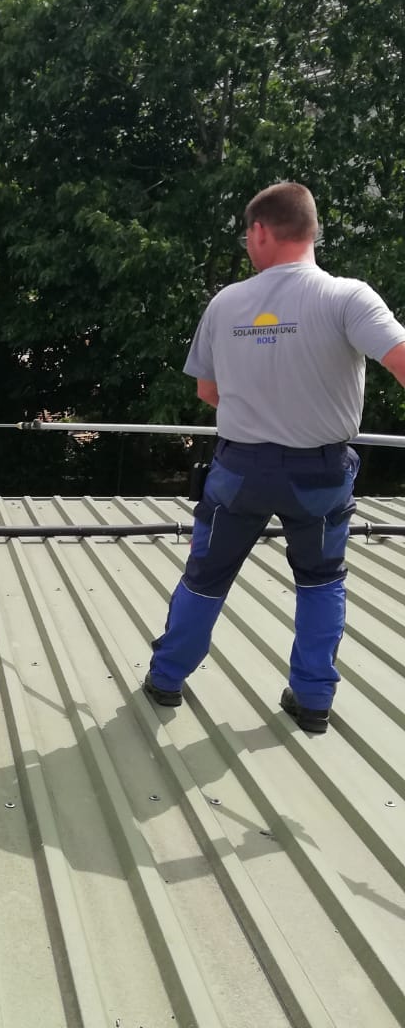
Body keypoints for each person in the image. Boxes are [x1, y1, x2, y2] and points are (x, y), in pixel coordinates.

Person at [144, 182, 405, 733]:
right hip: (321, 475)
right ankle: (312, 702)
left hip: (239, 473)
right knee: (321, 579)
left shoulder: (226, 303)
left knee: (206, 576)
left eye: (247, 236)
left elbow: (208, 394)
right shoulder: (348, 297)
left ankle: (166, 680)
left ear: (261, 231)